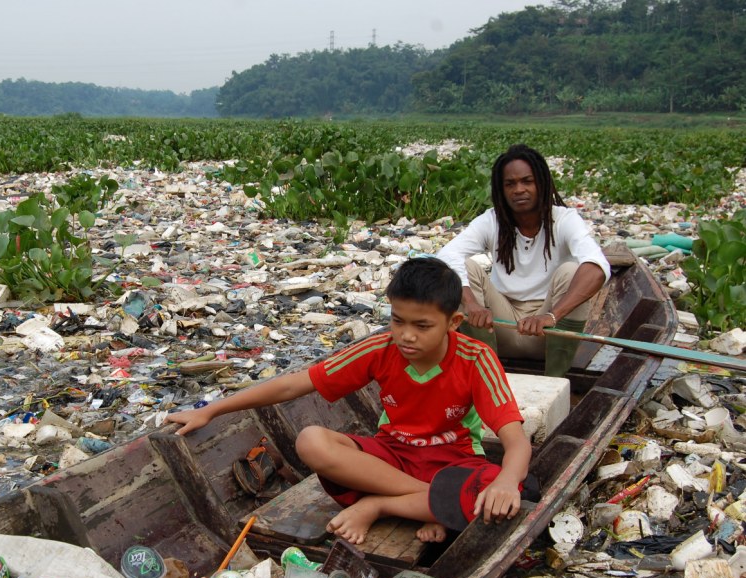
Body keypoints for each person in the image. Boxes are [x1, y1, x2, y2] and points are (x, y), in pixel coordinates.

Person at [168, 257, 534, 545]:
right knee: (311, 440)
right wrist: (210, 410)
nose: (406, 336)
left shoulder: (476, 357)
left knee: (503, 487)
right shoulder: (380, 349)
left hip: (453, 462)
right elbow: (292, 386)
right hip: (391, 460)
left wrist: (505, 481)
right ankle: (434, 504)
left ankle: (380, 506)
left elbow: (515, 440)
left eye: (422, 326)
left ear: (453, 322)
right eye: (397, 321)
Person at [436, 144, 611, 377]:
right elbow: (447, 255)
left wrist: (552, 315)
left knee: (572, 271)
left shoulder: (564, 219)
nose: (519, 189)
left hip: (547, 333)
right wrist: (472, 305)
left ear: (542, 183)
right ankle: (484, 375)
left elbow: (598, 267)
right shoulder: (493, 220)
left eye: (527, 181)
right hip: (499, 328)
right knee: (459, 270)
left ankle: (556, 380)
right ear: (501, 190)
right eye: (510, 184)